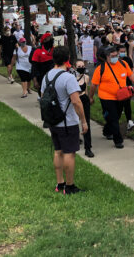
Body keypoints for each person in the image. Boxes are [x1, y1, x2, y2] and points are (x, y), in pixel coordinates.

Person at [42, 46, 88, 195]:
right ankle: (69, 186)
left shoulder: (47, 76)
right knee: (69, 153)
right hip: (68, 121)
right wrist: (83, 120)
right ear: (67, 59)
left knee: (58, 151)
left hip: (53, 120)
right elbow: (76, 102)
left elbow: (43, 96)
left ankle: (60, 182)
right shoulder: (68, 78)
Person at [90, 45, 134, 148]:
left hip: (121, 96)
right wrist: (91, 97)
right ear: (107, 57)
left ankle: (107, 131)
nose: (115, 58)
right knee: (114, 118)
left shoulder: (123, 64)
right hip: (106, 97)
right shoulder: (101, 69)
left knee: (116, 116)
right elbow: (93, 85)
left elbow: (131, 75)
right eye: (112, 56)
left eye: (116, 55)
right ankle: (118, 140)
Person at [75, 59, 94, 158]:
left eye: (83, 66)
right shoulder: (71, 78)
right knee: (74, 121)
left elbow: (85, 89)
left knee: (86, 122)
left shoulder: (86, 77)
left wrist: (89, 99)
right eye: (79, 66)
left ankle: (88, 148)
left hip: (84, 100)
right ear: (75, 67)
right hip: (75, 101)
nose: (81, 68)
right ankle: (75, 139)